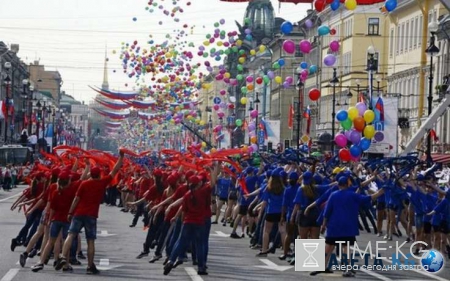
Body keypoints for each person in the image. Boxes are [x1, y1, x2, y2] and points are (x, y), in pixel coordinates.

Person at [55, 151, 124, 274]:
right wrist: (121, 157)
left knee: (71, 235)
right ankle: (90, 266)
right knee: (90, 241)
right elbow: (115, 170)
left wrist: (70, 213)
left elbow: (76, 199)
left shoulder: (84, 183)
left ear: (91, 175)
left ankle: (63, 256)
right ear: (99, 175)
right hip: (91, 215)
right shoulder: (102, 183)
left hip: (78, 213)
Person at [310, 175, 385, 277]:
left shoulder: (333, 195)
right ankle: (347, 269)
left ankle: (322, 266)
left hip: (334, 225)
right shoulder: (353, 195)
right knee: (346, 247)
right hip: (348, 226)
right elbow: (367, 198)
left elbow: (327, 212)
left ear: (339, 184)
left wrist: (323, 225)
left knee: (329, 246)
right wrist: (380, 192)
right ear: (347, 184)